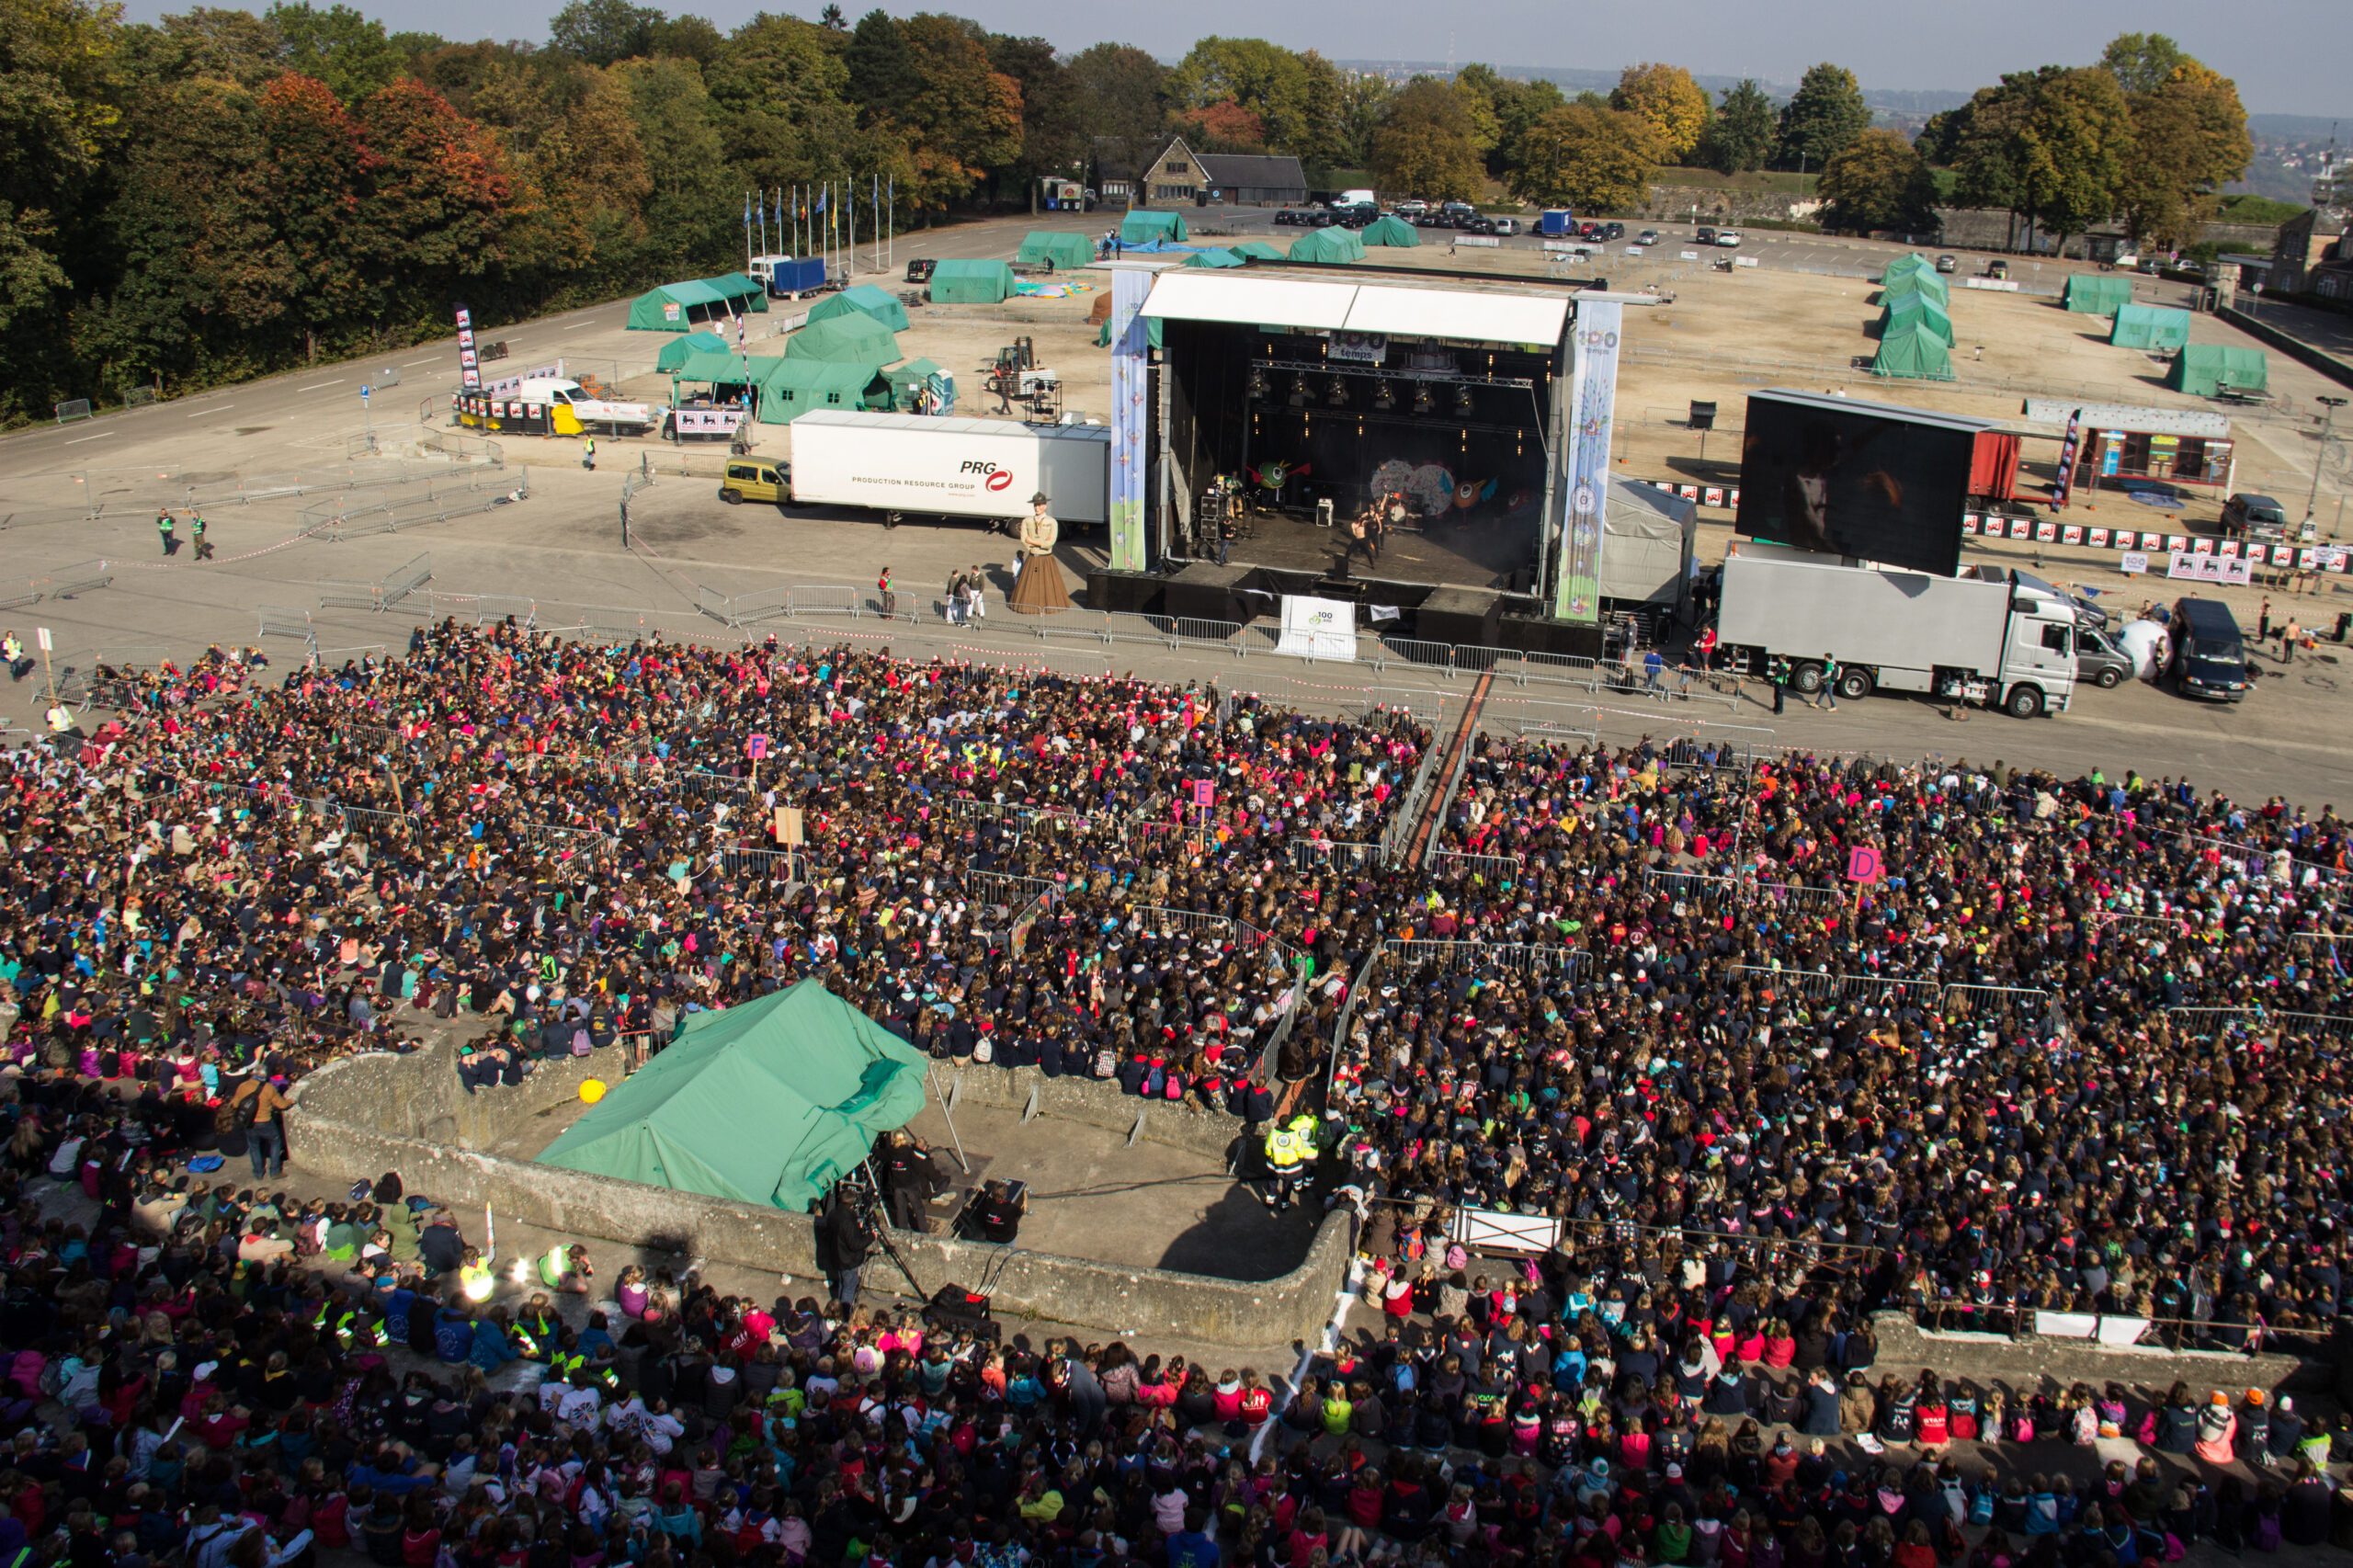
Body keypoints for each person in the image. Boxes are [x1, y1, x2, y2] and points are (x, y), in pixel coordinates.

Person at [1007, 493, 1072, 615]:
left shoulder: (1051, 522)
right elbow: (1024, 539)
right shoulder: (1027, 521)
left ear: (1045, 506)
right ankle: (1029, 607)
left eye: (1040, 505)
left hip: (1046, 559)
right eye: (1035, 505)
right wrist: (1039, 543)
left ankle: (1048, 607)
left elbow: (1050, 542)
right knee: (1029, 584)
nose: (1037, 508)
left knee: (1048, 583)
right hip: (1033, 557)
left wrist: (1033, 541)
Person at [822, 1188, 873, 1306]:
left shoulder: (833, 1213)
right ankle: (844, 1315)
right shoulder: (847, 1221)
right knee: (849, 1288)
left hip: (837, 1258)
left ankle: (838, 1310)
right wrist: (871, 1237)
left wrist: (856, 1226)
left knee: (842, 1285)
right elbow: (855, 1245)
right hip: (848, 1260)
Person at [1262, 1113, 1316, 1211]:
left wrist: (1270, 1155)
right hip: (1290, 1167)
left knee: (1272, 1183)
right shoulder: (1294, 1135)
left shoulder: (1273, 1133)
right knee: (1287, 1186)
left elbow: (1268, 1148)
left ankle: (1270, 1202)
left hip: (1275, 1165)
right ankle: (1284, 1205)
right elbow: (1300, 1151)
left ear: (1279, 1123)